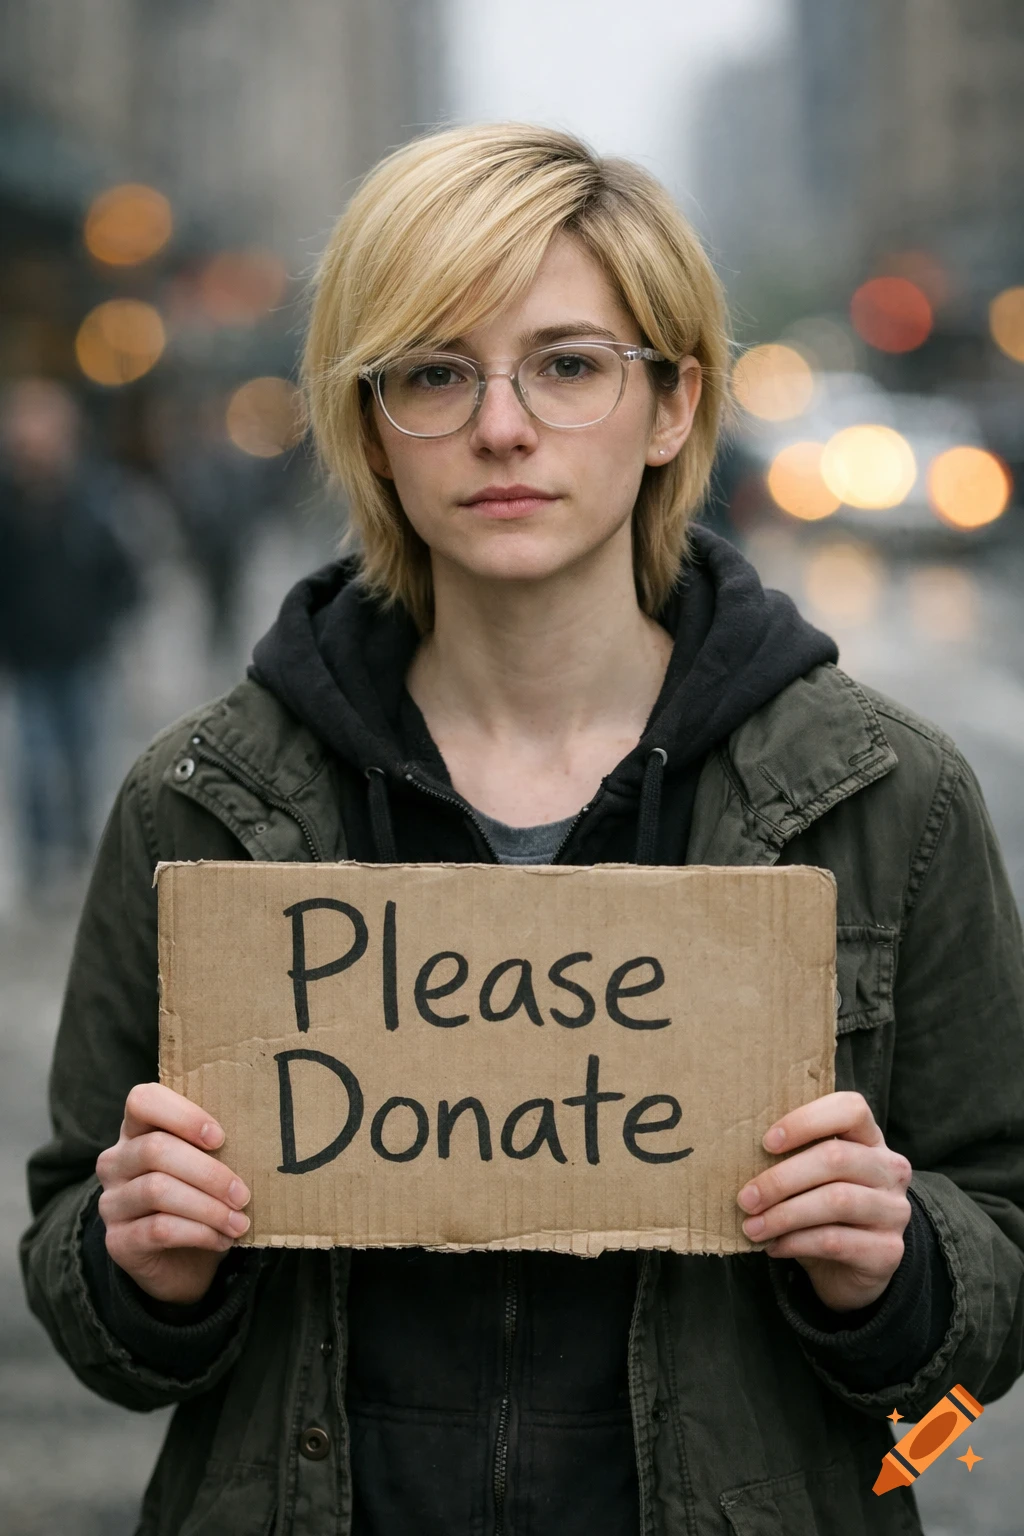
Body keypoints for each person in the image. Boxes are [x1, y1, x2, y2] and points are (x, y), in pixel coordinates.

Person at [20, 124, 1024, 1536]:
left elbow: (991, 1310)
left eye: (567, 364)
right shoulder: (199, 806)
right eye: (436, 370)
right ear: (369, 419)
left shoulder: (887, 800)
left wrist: (900, 1264)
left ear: (672, 405)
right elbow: (77, 1265)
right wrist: (143, 1267)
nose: (503, 425)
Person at [0, 378, 140, 894]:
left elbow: (122, 570)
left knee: (84, 754)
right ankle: (40, 859)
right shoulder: (7, 502)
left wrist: (109, 622)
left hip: (83, 652)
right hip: (28, 657)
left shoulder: (92, 496)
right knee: (34, 762)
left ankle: (80, 845)